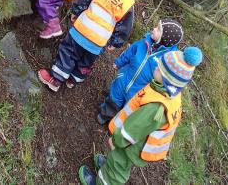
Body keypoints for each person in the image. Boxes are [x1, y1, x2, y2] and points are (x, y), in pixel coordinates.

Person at [79, 47, 203, 185]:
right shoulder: (169, 92)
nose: (155, 67)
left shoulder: (156, 108)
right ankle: (107, 166)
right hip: (135, 142)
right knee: (115, 159)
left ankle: (103, 181)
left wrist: (116, 141)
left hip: (131, 145)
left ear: (167, 79)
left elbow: (132, 130)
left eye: (159, 69)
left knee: (118, 166)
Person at [38, 0, 149, 92]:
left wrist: (76, 11)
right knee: (86, 61)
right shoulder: (129, 5)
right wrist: (115, 43)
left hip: (82, 30)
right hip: (99, 41)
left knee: (68, 52)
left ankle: (56, 79)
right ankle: (73, 79)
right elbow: (124, 28)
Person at [97, 18, 184, 125]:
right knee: (115, 96)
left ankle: (117, 125)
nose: (154, 29)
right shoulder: (145, 42)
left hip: (139, 90)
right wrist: (120, 62)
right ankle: (105, 113)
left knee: (129, 108)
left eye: (158, 29)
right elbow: (131, 51)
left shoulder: (168, 59)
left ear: (164, 39)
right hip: (125, 77)